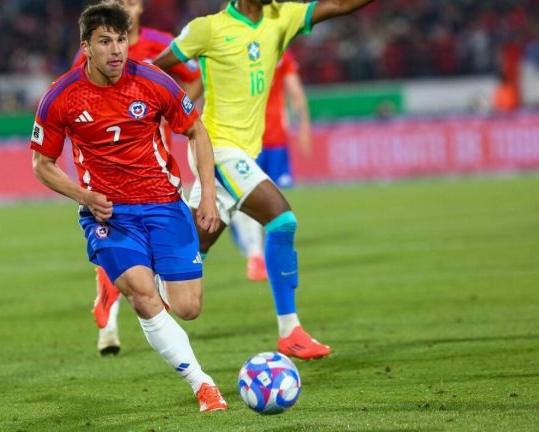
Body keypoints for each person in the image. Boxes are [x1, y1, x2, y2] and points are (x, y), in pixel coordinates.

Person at [30, 2, 226, 412]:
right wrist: (83, 196)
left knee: (188, 308)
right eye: (105, 41)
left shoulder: (153, 81)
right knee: (142, 295)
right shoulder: (60, 97)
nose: (116, 50)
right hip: (109, 214)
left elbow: (197, 131)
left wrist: (207, 195)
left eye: (120, 40)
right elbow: (41, 164)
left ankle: (126, 278)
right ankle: (203, 384)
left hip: (164, 205)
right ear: (86, 47)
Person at [153, 0, 377, 360]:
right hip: (217, 147)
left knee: (193, 247)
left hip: (245, 151)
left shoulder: (281, 17)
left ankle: (142, 278)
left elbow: (336, 5)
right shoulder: (208, 29)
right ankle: (290, 331)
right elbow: (154, 68)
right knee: (282, 221)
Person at [73, 0, 203, 357]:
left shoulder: (160, 43)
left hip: (154, 172)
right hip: (110, 185)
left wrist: (165, 116)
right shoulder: (91, 57)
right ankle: (110, 321)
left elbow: (195, 79)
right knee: (122, 253)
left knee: (184, 301)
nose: (125, 7)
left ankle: (127, 298)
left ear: (141, 7)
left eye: (130, 1)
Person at [229, 49, 310, 281]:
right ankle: (257, 253)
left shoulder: (237, 46)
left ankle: (255, 252)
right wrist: (303, 126)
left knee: (246, 196)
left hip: (246, 136)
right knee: (268, 199)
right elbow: (296, 94)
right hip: (270, 138)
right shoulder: (279, 48)